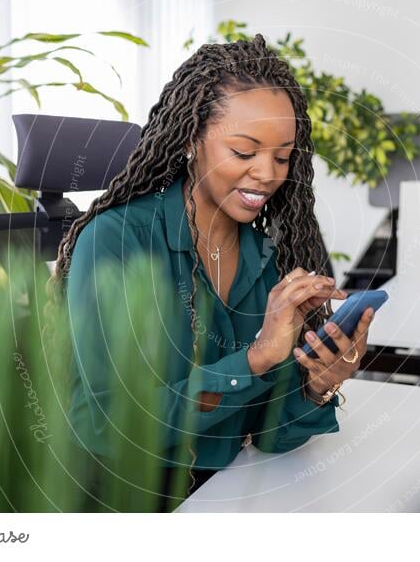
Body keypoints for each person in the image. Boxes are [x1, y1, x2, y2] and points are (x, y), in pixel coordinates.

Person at [53, 34, 375, 511]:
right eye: (244, 152)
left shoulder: (266, 255)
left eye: (282, 156)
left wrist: (318, 380)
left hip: (222, 494)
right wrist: (253, 360)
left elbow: (267, 434)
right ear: (190, 138)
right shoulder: (115, 243)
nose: (268, 173)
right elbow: (107, 423)